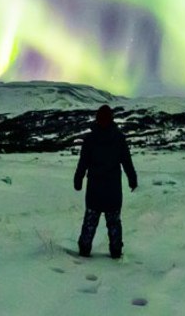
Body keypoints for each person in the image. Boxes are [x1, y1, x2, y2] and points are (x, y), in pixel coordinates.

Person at [73, 104, 138, 258]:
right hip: (112, 190)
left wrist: (78, 179)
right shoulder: (119, 138)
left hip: (95, 190)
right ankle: (115, 252)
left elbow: (83, 163)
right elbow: (127, 162)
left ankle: (84, 250)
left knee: (90, 223)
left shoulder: (90, 139)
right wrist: (132, 179)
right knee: (114, 223)